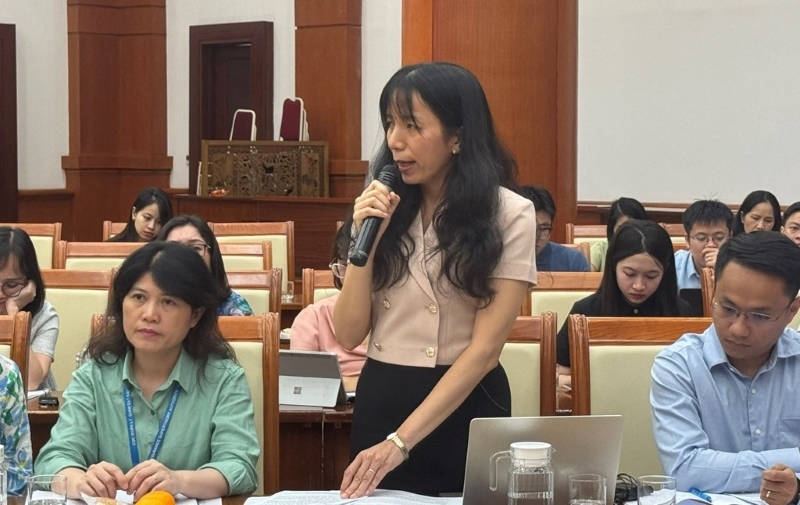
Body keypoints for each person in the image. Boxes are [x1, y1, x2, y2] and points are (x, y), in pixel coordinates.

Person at [334, 62, 536, 498]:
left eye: (412, 125)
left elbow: (485, 351)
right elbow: (348, 334)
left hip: (466, 402)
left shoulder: (509, 214)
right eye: (390, 123)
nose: (395, 141)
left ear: (457, 136)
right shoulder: (381, 208)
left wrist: (400, 443)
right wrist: (365, 242)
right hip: (383, 399)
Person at [35, 241, 259, 499]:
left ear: (195, 315)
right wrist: (80, 481)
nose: (150, 314)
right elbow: (54, 458)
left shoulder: (224, 380)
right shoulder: (94, 375)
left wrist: (179, 480)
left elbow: (239, 467)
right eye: (139, 297)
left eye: (168, 301)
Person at [651, 232, 800, 502]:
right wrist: (794, 459)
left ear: (792, 311)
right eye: (728, 309)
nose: (738, 329)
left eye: (759, 316)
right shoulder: (679, 365)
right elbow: (685, 469)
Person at [556, 219, 691, 367]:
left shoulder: (682, 313)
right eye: (629, 274)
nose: (639, 286)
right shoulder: (585, 312)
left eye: (651, 276)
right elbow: (561, 368)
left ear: (665, 271)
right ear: (614, 265)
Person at [290, 217, 367, 392]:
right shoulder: (313, 317)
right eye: (345, 266)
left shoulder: (402, 316)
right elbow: (301, 384)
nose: (356, 277)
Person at [157, 215, 253, 316]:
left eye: (196, 248)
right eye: (174, 249)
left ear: (211, 255)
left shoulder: (233, 307)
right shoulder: (151, 305)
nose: (186, 256)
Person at [0, 226, 59, 390]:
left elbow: (32, 381)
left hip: (30, 404)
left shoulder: (45, 315)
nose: (0, 294)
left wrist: (14, 315)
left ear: (29, 283)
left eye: (11, 285)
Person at [673, 200, 733, 315]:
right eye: (701, 238)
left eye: (719, 237)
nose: (710, 245)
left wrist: (723, 270)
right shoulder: (674, 265)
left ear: (730, 237)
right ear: (687, 240)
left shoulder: (742, 267)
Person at [518, 185, 590, 272]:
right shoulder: (503, 258)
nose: (537, 237)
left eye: (544, 229)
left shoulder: (573, 262)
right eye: (531, 227)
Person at [590, 197, 648, 272]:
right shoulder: (600, 250)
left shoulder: (650, 252)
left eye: (633, 227)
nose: (628, 233)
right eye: (621, 228)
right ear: (612, 228)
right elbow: (585, 277)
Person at [107, 187, 173, 242]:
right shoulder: (111, 247)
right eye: (147, 218)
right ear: (134, 213)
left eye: (159, 222)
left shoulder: (167, 250)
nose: (151, 226)